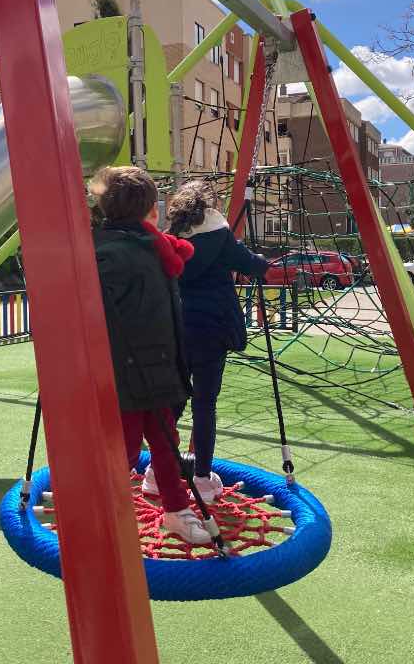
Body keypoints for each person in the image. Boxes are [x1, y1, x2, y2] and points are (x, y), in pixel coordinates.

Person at [90, 166, 210, 544]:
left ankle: (159, 511)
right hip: (144, 366)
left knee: (142, 445)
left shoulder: (121, 249)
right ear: (152, 211)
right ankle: (163, 511)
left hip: (136, 366)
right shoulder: (134, 251)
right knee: (157, 444)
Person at [165, 180, 279, 502]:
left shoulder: (171, 239)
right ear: (208, 206)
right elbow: (253, 266)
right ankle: (201, 476)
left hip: (178, 327)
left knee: (173, 399)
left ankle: (158, 471)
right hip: (212, 330)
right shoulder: (219, 234)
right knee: (205, 402)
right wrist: (257, 259)